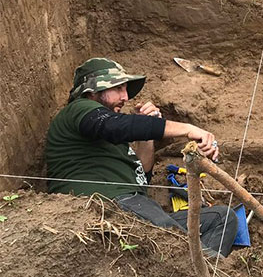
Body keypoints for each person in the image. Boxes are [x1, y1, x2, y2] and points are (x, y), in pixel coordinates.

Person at [46, 58, 238, 256]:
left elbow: (141, 176)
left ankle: (203, 269)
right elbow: (115, 126)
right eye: (119, 88)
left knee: (222, 218)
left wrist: (147, 130)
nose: (126, 96)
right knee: (174, 239)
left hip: (134, 203)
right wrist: (187, 129)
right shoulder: (79, 108)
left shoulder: (109, 139)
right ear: (93, 90)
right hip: (104, 203)